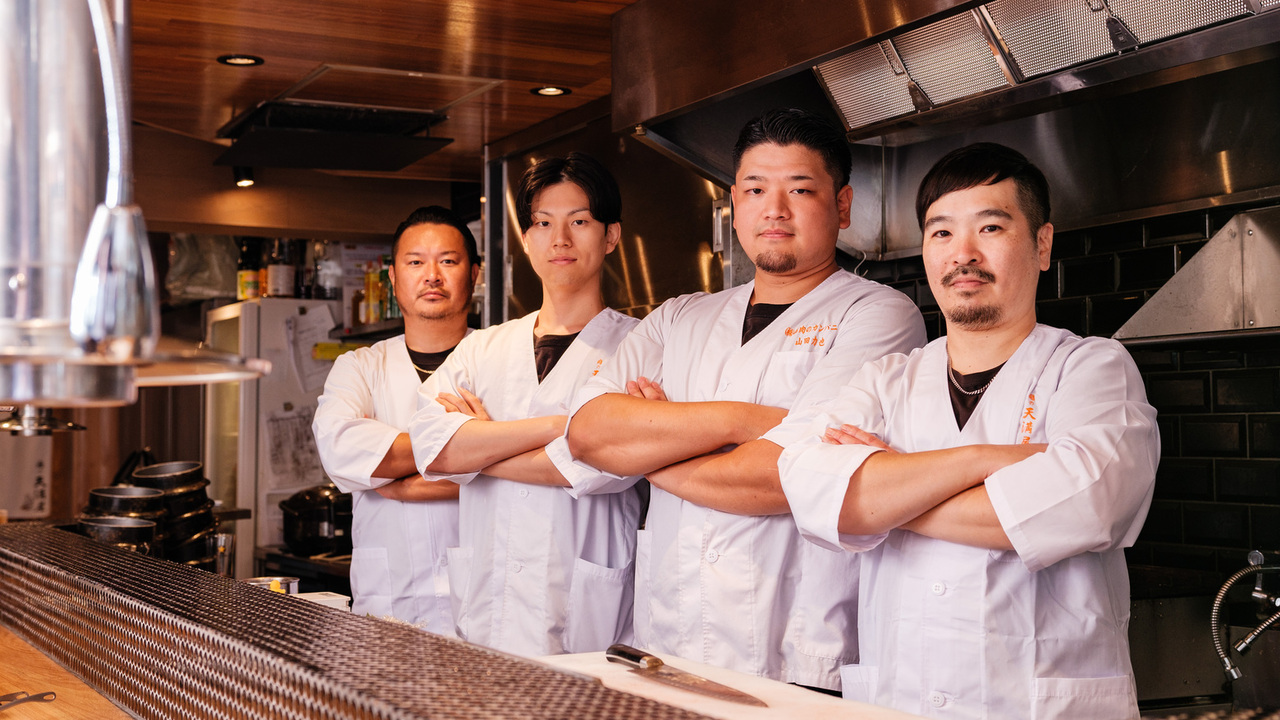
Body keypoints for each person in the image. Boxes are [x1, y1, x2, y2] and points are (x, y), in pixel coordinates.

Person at [758, 143, 1158, 718]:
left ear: (1042, 245)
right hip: (904, 697)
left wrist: (885, 496)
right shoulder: (885, 379)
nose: (962, 254)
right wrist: (984, 462)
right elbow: (810, 488)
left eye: (990, 227)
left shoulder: (1093, 368)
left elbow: (1088, 502)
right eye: (941, 233)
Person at [562, 108, 927, 691]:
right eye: (756, 189)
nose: (773, 209)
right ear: (735, 201)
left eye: (799, 189)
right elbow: (588, 435)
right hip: (666, 641)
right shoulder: (681, 314)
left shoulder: (879, 313)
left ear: (843, 205)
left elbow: (786, 477)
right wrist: (743, 423)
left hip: (797, 653)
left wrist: (648, 448)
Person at [404, 152, 640, 657]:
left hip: (584, 622)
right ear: (527, 239)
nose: (560, 240)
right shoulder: (481, 348)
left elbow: (606, 465)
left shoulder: (640, 347)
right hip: (488, 614)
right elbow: (435, 452)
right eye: (543, 223)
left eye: (579, 222)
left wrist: (483, 447)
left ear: (611, 237)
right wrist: (564, 427)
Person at [312, 205, 480, 631]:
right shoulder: (360, 367)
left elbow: (530, 471)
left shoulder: (504, 360)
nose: (432, 275)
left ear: (474, 274)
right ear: (393, 277)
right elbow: (341, 450)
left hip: (484, 602)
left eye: (448, 260)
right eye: (415, 262)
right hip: (388, 608)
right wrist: (473, 453)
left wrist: (400, 475)